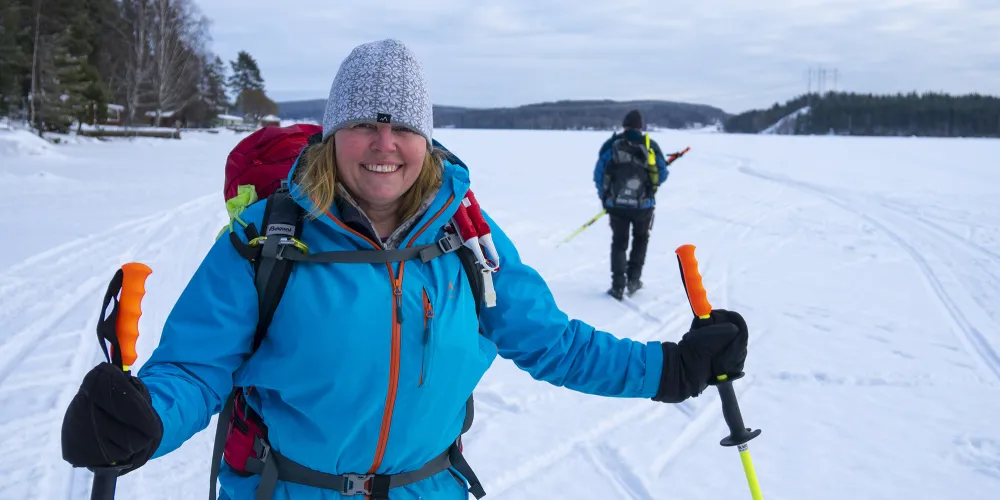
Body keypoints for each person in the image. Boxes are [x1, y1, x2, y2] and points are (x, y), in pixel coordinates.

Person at [60, 39, 750, 500]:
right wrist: (143, 417)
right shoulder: (265, 239)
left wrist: (671, 369)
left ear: (427, 138)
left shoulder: (469, 239)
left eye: (404, 128)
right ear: (333, 136)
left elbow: (552, 342)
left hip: (431, 488)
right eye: (364, 124)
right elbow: (196, 367)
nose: (384, 147)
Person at [593, 109, 675, 300]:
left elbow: (599, 174)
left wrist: (604, 198)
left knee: (619, 243)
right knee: (641, 239)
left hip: (616, 205)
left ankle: (618, 286)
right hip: (643, 206)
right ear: (641, 127)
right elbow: (662, 174)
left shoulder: (611, 145)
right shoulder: (651, 145)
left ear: (624, 125)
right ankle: (633, 280)